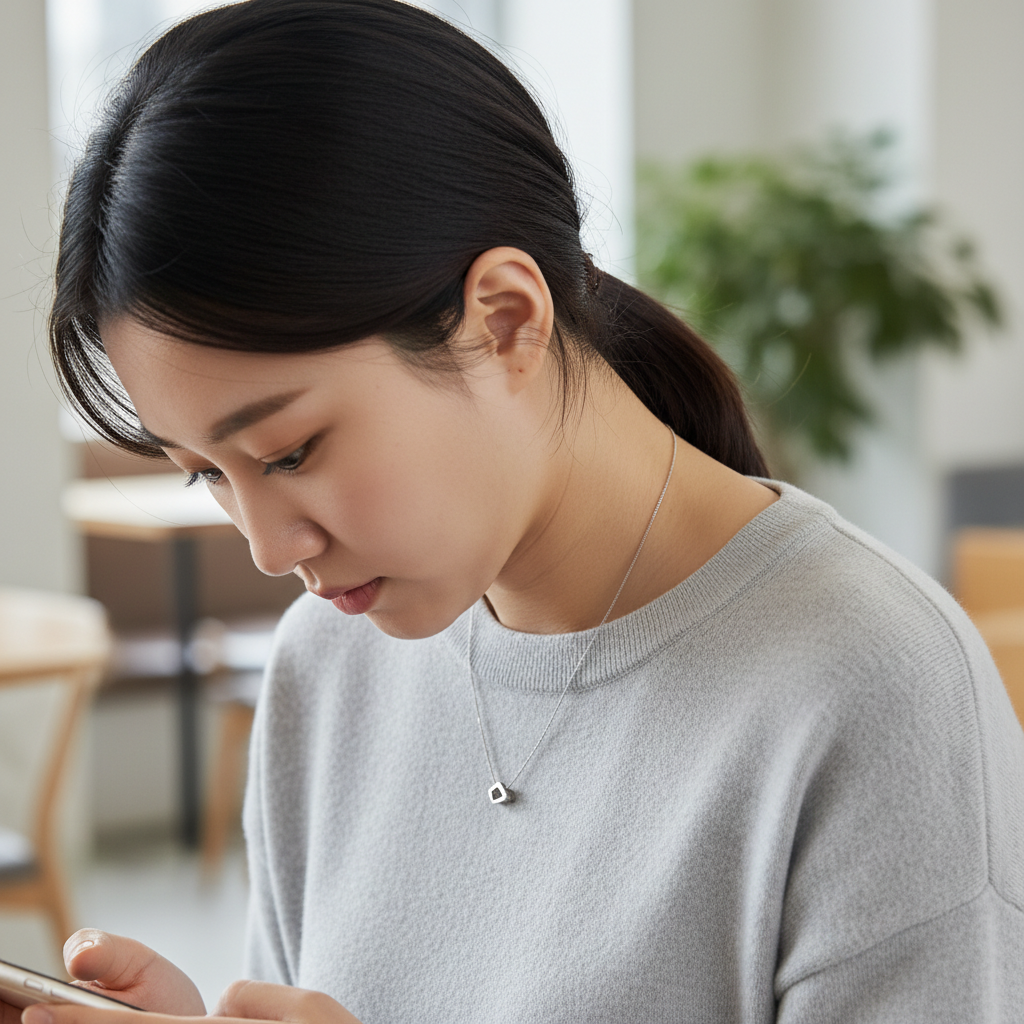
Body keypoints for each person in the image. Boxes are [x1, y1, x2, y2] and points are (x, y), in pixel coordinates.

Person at [7, 0, 1023, 1021]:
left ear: (504, 320)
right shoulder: (331, 663)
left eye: (291, 451)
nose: (271, 548)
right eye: (208, 474)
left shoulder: (872, 686)